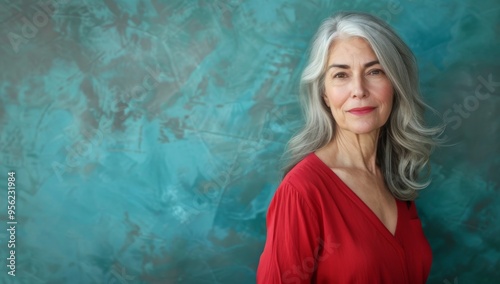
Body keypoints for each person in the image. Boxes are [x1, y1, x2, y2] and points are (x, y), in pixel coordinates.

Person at [257, 11, 442, 284]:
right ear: (324, 94)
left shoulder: (395, 176)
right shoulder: (302, 191)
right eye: (341, 75)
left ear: (395, 84)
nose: (359, 89)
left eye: (375, 71)